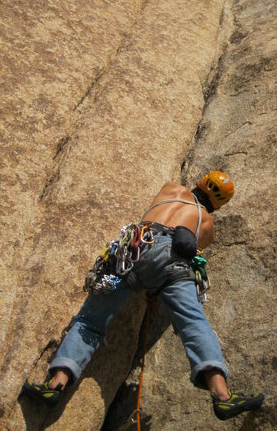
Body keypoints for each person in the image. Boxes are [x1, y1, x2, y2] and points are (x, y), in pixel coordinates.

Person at [22, 171, 264, 420]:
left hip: (132, 251)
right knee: (194, 323)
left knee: (90, 322)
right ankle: (222, 396)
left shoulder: (171, 189)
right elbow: (192, 250)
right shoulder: (208, 225)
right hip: (173, 263)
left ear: (201, 181)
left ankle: (56, 384)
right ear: (220, 203)